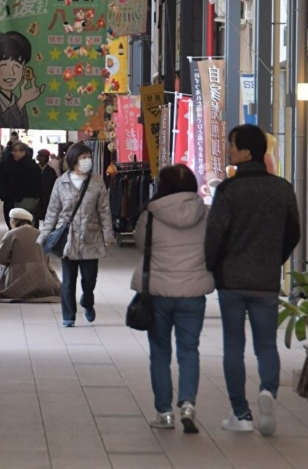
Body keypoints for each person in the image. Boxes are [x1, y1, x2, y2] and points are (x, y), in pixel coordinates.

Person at [205, 124, 300, 436]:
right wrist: (275, 260)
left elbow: (215, 235)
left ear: (246, 152)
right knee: (265, 344)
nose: (229, 150)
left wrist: (212, 267)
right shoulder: (283, 188)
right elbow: (293, 233)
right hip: (266, 280)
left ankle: (241, 414)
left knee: (233, 345)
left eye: (232, 145)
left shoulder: (228, 190)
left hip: (232, 280)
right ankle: (268, 392)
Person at [130, 164, 214, 434]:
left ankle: (164, 412)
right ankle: (188, 404)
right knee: (189, 350)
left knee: (160, 354)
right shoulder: (206, 213)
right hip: (193, 293)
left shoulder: (151, 215)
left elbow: (142, 246)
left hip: (159, 293)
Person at [37, 142, 113, 327]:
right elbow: (52, 211)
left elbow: (104, 210)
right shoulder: (60, 182)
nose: (87, 161)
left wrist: (107, 234)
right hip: (67, 239)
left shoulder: (97, 181)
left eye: (89, 157)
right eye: (83, 157)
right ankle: (68, 316)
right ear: (73, 160)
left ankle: (87, 302)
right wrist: (44, 234)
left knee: (89, 279)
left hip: (91, 237)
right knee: (69, 281)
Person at [0, 208, 62, 303]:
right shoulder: (41, 234)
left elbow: (0, 259)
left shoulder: (11, 234)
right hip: (43, 280)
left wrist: (14, 262)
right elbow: (46, 259)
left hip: (16, 279)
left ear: (14, 220)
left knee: (2, 269)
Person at [0, 31, 44, 128]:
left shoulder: (18, 101)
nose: (11, 72)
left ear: (23, 69)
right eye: (3, 66)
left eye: (17, 66)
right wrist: (22, 101)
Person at [0, 141, 41, 229]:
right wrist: (4, 195)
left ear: (23, 152)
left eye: (16, 150)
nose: (14, 153)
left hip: (27, 202)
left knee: (29, 227)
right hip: (10, 201)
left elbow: (38, 184)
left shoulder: (32, 166)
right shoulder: (6, 165)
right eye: (13, 151)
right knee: (12, 226)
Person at [36, 149, 58, 222]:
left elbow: (54, 184)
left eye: (43, 157)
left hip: (48, 197)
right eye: (40, 156)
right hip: (36, 197)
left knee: (47, 217)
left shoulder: (51, 171)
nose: (41, 159)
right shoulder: (34, 169)